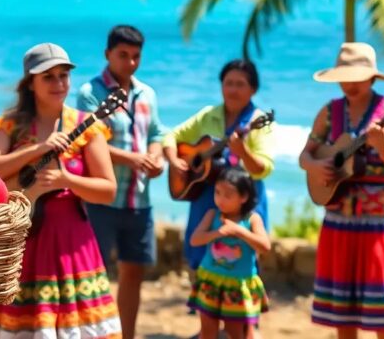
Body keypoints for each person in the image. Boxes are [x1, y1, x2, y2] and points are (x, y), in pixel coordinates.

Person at [0, 43, 122, 339]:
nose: (59, 83)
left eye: (63, 76)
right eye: (49, 77)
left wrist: (66, 180)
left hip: (71, 246)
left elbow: (107, 191)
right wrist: (37, 149)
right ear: (31, 82)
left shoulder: (86, 126)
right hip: (22, 244)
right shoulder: (12, 124)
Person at [300, 43, 384, 337]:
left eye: (356, 76)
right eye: (344, 77)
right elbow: (305, 156)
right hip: (338, 224)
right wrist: (316, 167)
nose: (349, 84)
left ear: (371, 77)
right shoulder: (329, 112)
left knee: (383, 318)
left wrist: (383, 147)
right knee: (342, 319)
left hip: (376, 227)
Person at [76, 24, 167, 339]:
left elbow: (156, 133)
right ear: (108, 54)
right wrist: (133, 159)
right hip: (101, 200)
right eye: (123, 55)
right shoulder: (90, 93)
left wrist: (156, 157)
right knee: (92, 276)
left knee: (133, 274)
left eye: (136, 56)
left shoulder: (147, 93)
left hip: (139, 199)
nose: (130, 63)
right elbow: (86, 141)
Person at [164, 59, 275, 272]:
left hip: (243, 202)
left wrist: (243, 153)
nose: (233, 90)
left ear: (253, 89)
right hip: (206, 197)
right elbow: (172, 135)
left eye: (240, 84)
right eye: (228, 83)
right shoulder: (208, 115)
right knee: (200, 262)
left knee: (240, 261)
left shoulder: (258, 121)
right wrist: (174, 159)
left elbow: (264, 168)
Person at [188, 166, 271, 339]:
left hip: (238, 286)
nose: (220, 200)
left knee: (235, 334)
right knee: (207, 331)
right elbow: (195, 239)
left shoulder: (252, 220)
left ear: (244, 197)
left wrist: (239, 231)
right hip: (210, 282)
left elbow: (265, 246)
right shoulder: (212, 215)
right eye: (217, 192)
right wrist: (218, 233)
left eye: (227, 195)